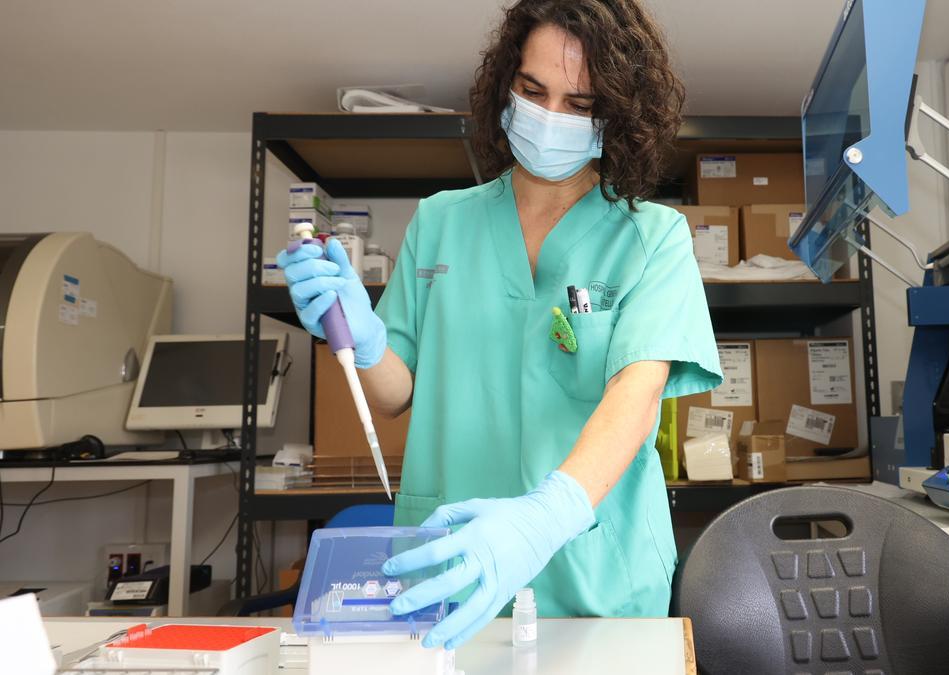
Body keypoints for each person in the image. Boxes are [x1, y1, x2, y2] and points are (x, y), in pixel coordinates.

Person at [277, 0, 720, 650]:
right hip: (453, 562)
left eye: (580, 103)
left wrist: (546, 517)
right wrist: (361, 333)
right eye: (534, 90)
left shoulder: (654, 237)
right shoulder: (440, 222)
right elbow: (397, 391)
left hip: (599, 575)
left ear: (616, 115)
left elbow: (637, 393)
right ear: (505, 85)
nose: (550, 117)